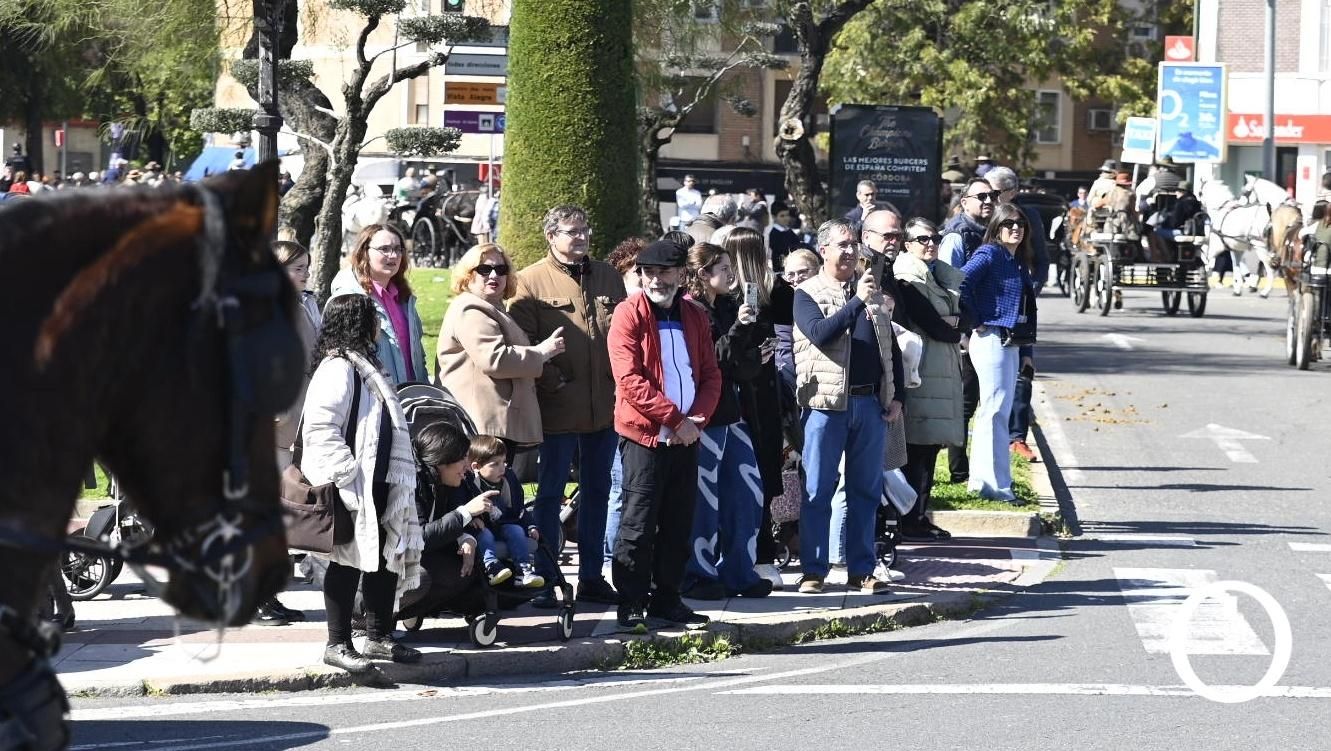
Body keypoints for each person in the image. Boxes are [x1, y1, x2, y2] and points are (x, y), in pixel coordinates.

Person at [509, 205, 626, 607]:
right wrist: (553, 380)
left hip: (605, 408)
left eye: (584, 230)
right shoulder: (529, 282)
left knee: (598, 491)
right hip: (558, 407)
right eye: (572, 231)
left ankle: (592, 577)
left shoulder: (608, 275)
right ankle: (546, 577)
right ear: (551, 236)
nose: (581, 237)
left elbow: (624, 333)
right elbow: (522, 343)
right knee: (550, 494)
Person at [301, 295, 424, 674]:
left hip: (382, 481)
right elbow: (321, 430)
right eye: (373, 318)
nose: (379, 325)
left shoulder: (366, 364)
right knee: (346, 563)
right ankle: (337, 644)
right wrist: (347, 476)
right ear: (358, 322)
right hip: (354, 485)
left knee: (384, 559)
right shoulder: (337, 368)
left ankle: (378, 637)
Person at [606, 239, 722, 630]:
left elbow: (710, 374)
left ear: (680, 275)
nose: (656, 280)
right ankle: (631, 601)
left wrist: (697, 420)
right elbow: (630, 380)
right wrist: (675, 420)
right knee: (638, 523)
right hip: (644, 436)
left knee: (678, 522)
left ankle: (668, 599)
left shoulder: (695, 315)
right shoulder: (628, 314)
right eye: (648, 273)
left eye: (664, 272)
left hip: (687, 435)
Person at [793, 219, 902, 595]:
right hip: (825, 405)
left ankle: (862, 570)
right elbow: (821, 334)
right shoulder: (807, 292)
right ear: (823, 250)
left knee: (866, 491)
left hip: (868, 403)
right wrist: (856, 301)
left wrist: (897, 394)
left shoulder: (871, 294)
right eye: (843, 244)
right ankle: (813, 571)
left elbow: (891, 347)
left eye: (855, 244)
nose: (851, 251)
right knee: (819, 489)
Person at [679, 241, 771, 600]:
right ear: (703, 274)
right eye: (724, 269)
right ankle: (698, 573)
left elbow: (734, 365)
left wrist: (752, 349)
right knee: (705, 499)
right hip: (705, 416)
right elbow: (711, 359)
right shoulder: (691, 310)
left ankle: (739, 571)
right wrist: (738, 332)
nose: (732, 275)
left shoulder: (727, 306)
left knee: (747, 491)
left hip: (731, 413)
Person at [436, 243, 565, 451]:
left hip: (494, 423)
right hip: (482, 426)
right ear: (468, 275)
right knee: (487, 483)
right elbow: (494, 360)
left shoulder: (492, 308)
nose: (494, 275)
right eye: (484, 269)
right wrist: (541, 353)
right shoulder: (470, 309)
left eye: (501, 269)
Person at [259, 240, 323, 626]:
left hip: (299, 421)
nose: (303, 273)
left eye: (305, 267)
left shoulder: (302, 304)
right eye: (296, 267)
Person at [958, 204, 1037, 502]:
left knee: (995, 412)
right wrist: (976, 320)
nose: (1015, 228)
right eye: (1008, 224)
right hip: (991, 338)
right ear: (996, 227)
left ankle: (986, 483)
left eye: (1020, 224)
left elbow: (1025, 310)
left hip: (1012, 342)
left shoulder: (1016, 260)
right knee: (994, 412)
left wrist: (1027, 351)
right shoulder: (989, 253)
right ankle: (996, 487)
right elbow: (960, 282)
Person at [893, 218, 964, 541]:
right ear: (907, 245)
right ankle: (909, 520)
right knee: (917, 448)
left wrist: (954, 322)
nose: (930, 243)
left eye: (935, 237)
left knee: (930, 447)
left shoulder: (940, 273)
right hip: (921, 371)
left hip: (942, 370)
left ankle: (920, 516)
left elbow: (973, 314)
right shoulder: (908, 276)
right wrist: (951, 324)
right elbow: (932, 324)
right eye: (922, 239)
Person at [725, 228, 788, 591]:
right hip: (754, 396)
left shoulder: (767, 292)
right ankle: (760, 554)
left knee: (753, 477)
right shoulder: (763, 293)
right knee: (758, 477)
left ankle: (758, 553)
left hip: (750, 396)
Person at [398, 421, 495, 627]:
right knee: (423, 579)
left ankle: (416, 612)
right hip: (390, 565)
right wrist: (465, 513)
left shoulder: (446, 480)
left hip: (422, 556)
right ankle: (369, 619)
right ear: (443, 462)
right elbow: (418, 537)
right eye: (462, 459)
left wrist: (467, 538)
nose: (467, 466)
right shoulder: (409, 483)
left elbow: (455, 518)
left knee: (473, 577)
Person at [330, 223, 427, 385]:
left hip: (410, 399)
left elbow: (418, 356)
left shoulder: (404, 299)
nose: (393, 255)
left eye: (398, 249)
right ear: (364, 252)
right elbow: (341, 364)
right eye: (385, 249)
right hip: (373, 403)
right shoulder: (349, 300)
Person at [602, 237, 647, 575]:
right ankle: (611, 559)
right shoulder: (618, 313)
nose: (645, 279)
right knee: (620, 489)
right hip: (615, 413)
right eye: (636, 273)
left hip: (645, 416)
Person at [463, 435, 544, 588]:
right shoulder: (468, 483)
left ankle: (523, 570)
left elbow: (519, 509)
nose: (502, 468)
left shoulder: (509, 479)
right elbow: (461, 506)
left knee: (515, 530)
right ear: (476, 467)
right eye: (495, 464)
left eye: (504, 462)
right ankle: (492, 566)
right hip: (482, 527)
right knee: (484, 534)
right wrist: (471, 518)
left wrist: (531, 525)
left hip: (505, 523)